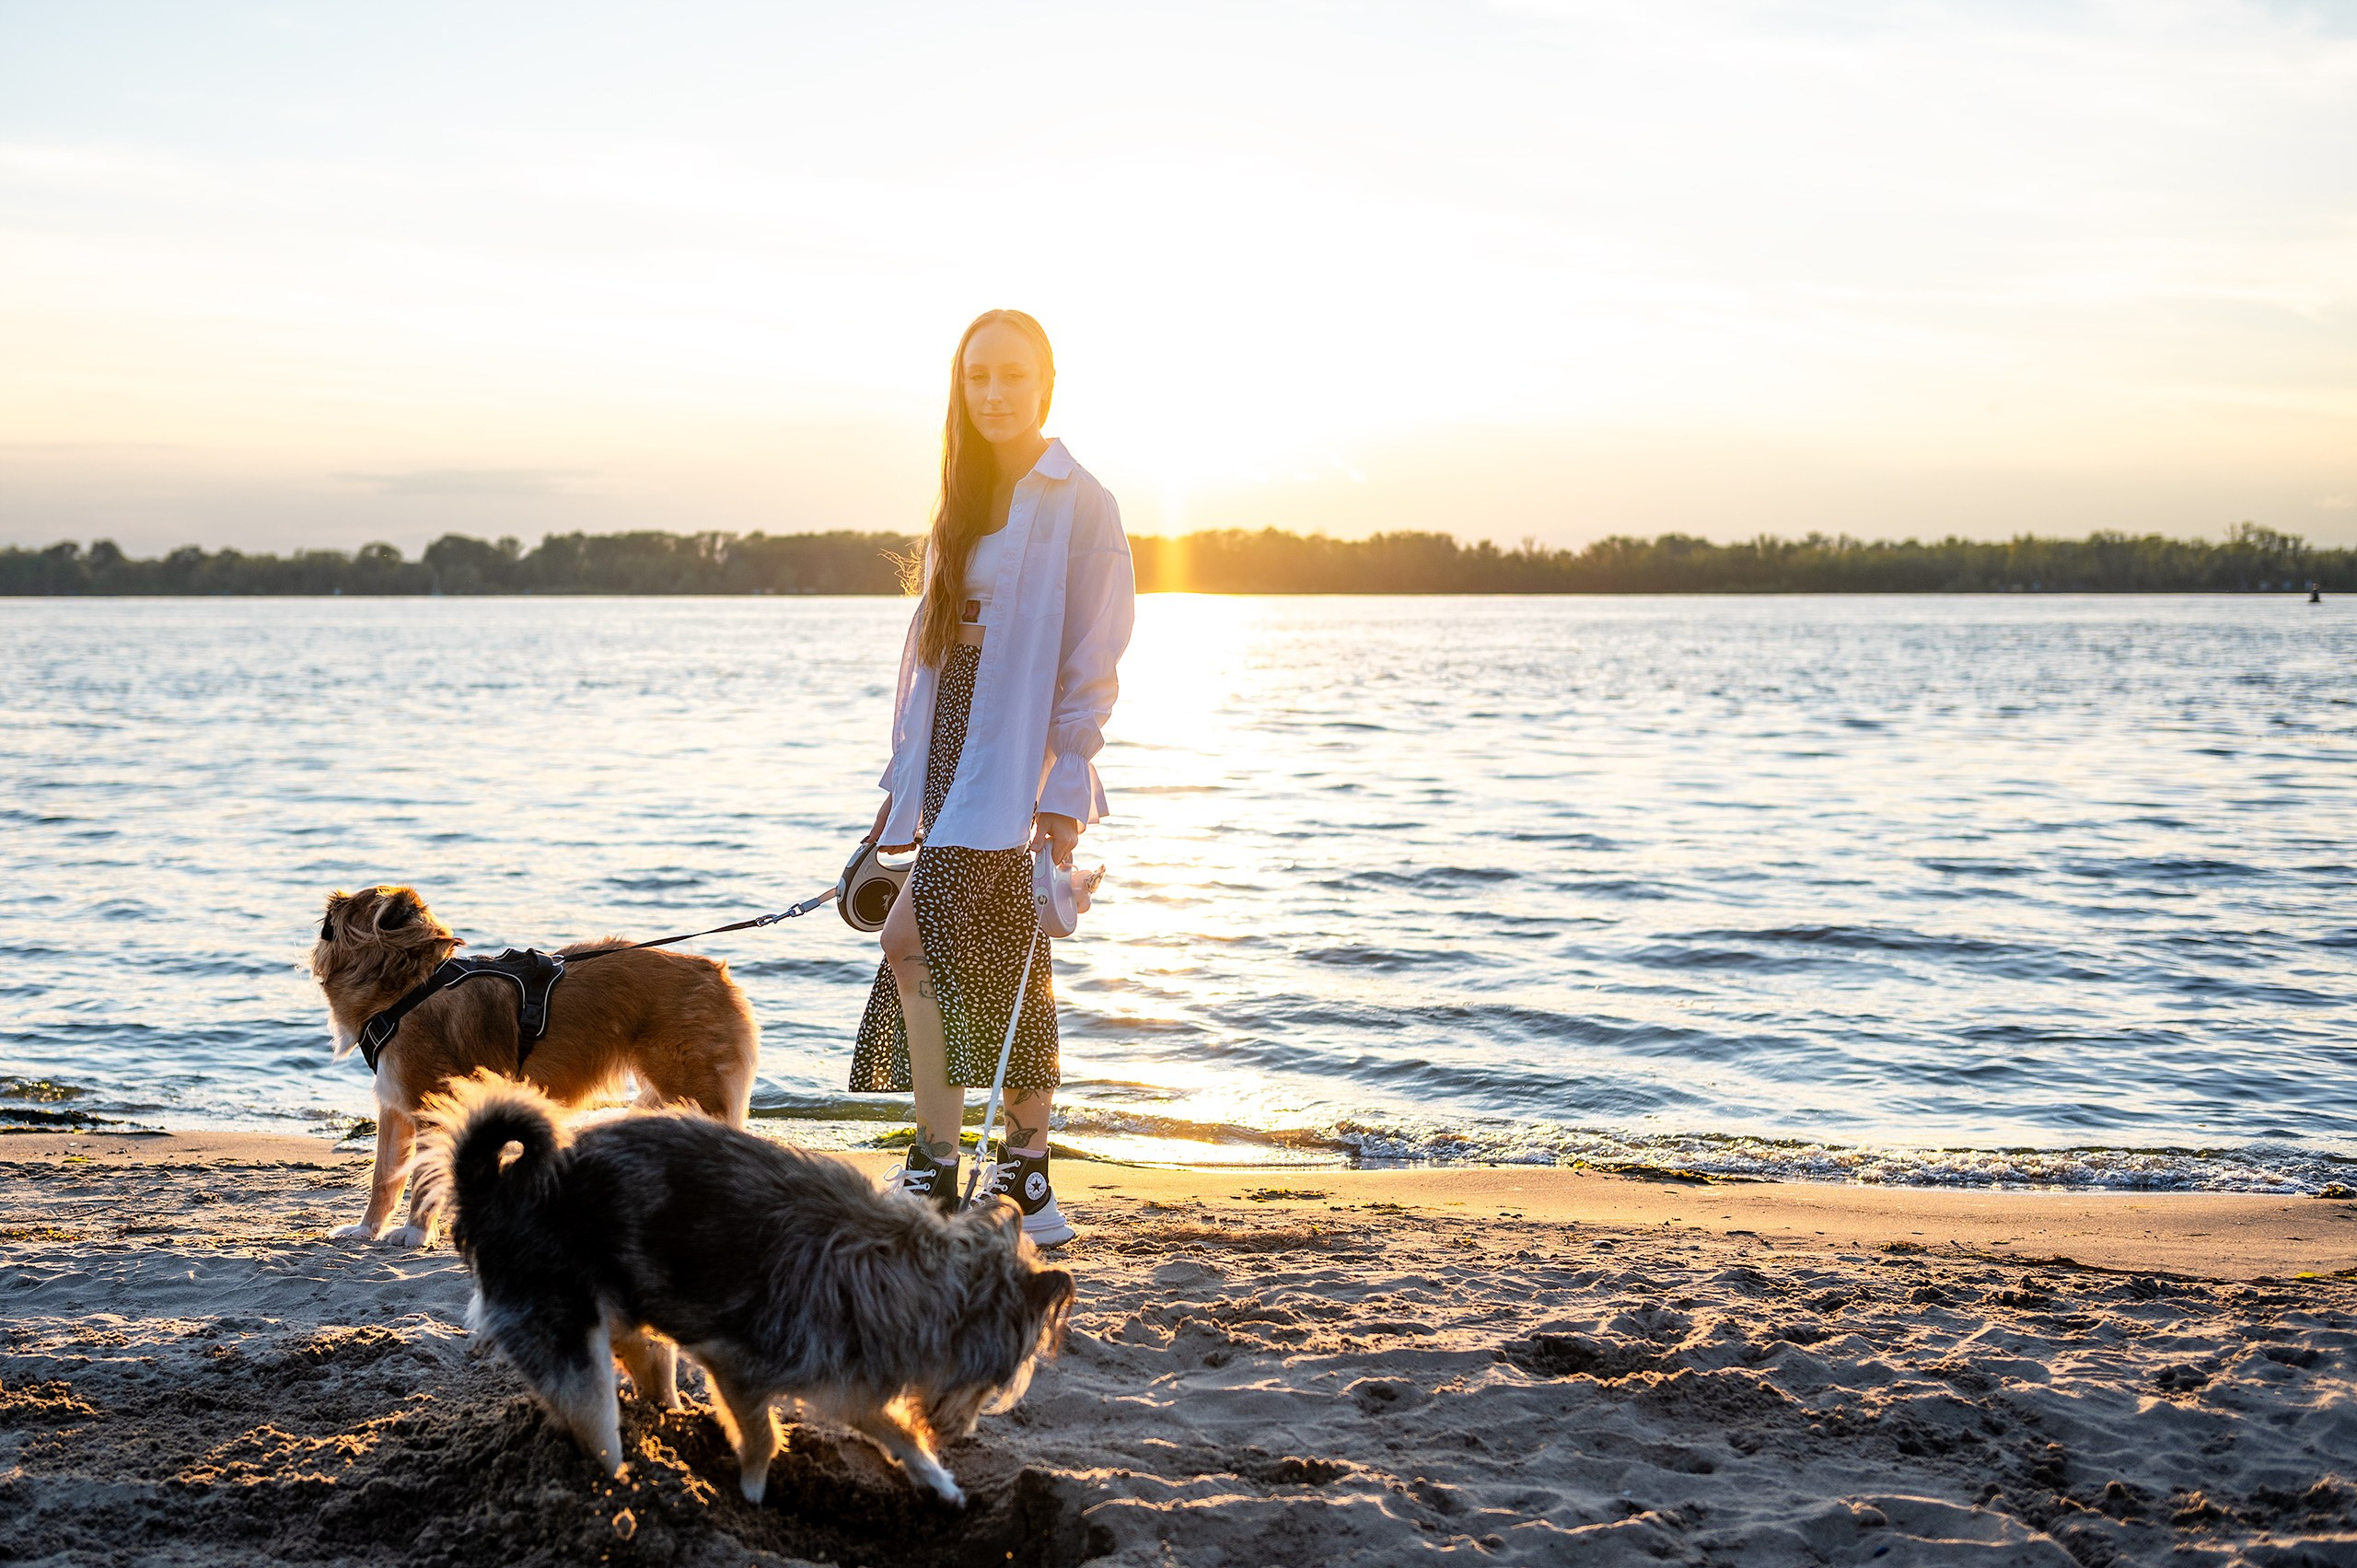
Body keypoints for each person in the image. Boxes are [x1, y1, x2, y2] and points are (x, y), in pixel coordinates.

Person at [847, 308, 1134, 1248]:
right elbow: (930, 656)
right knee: (992, 955)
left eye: (1012, 375)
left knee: (927, 941)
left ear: (1044, 382)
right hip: (955, 743)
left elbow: (1096, 653)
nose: (994, 393)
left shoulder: (1079, 498)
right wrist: (903, 784)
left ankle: (976, 1165)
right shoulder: (960, 490)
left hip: (1020, 752)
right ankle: (1010, 1169)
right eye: (977, 377)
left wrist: (1063, 787)